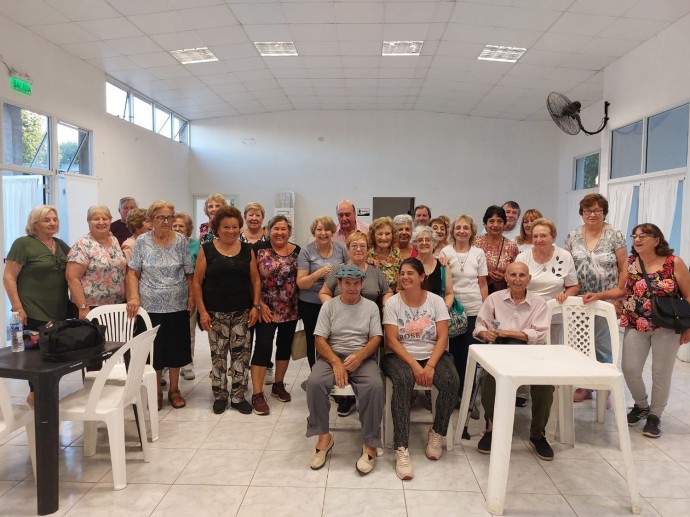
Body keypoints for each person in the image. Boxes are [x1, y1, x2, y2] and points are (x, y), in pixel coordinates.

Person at [583, 224, 690, 438]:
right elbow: (621, 290)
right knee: (630, 369)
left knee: (661, 373)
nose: (638, 239)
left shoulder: (674, 263)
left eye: (644, 235)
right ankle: (642, 406)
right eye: (635, 236)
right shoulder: (631, 263)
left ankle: (655, 416)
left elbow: (688, 296)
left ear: (657, 240)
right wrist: (599, 295)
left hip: (667, 327)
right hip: (636, 323)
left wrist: (688, 327)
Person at [381, 258, 460, 480]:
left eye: (410, 273)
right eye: (402, 273)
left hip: (432, 353)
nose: (405, 277)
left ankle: (438, 432)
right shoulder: (393, 303)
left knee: (450, 381)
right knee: (404, 381)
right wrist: (416, 366)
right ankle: (401, 447)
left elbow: (443, 337)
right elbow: (392, 340)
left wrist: (431, 365)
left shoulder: (435, 301)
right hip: (399, 356)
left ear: (422, 277)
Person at [306, 264, 384, 474]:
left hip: (362, 356)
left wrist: (360, 356)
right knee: (314, 383)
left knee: (375, 386)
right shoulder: (329, 306)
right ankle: (324, 437)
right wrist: (336, 362)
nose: (352, 288)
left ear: (361, 284)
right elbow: (319, 340)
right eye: (347, 283)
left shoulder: (371, 307)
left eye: (356, 283)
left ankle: (370, 443)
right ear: (338, 284)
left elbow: (376, 338)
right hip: (332, 355)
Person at [473, 262, 554, 460]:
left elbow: (539, 335)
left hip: (531, 352)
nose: (517, 279)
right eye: (513, 275)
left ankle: (537, 433)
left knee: (546, 385)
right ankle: (491, 427)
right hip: (500, 349)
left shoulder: (539, 303)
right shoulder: (494, 299)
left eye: (522, 275)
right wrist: (487, 334)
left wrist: (506, 332)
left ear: (529, 279)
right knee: (487, 379)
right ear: (506, 278)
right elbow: (478, 327)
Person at [193, 205, 261, 415]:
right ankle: (221, 395)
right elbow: (196, 283)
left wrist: (256, 306)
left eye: (234, 227)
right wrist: (203, 312)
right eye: (226, 227)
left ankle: (239, 396)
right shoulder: (207, 250)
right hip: (215, 313)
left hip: (242, 311)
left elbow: (255, 279)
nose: (231, 231)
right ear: (217, 228)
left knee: (241, 357)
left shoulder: (247, 250)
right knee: (219, 356)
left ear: (239, 227)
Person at [127, 200, 194, 411]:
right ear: (151, 220)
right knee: (154, 352)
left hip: (177, 304)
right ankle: (155, 391)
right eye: (160, 217)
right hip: (150, 306)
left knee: (176, 349)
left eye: (169, 217)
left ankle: (174, 390)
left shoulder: (181, 241)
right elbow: (133, 272)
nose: (166, 222)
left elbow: (189, 272)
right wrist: (133, 298)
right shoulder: (142, 242)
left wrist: (191, 297)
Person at [320, 231, 393, 417]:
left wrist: (386, 305)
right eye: (354, 246)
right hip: (340, 326)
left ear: (368, 250)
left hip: (366, 325)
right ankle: (345, 399)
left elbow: (387, 291)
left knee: (366, 365)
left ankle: (368, 401)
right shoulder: (339, 270)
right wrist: (332, 310)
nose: (359, 249)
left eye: (362, 246)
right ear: (348, 249)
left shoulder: (375, 272)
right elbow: (324, 292)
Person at [565, 193, 627, 402]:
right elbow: (567, 266)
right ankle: (584, 386)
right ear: (581, 213)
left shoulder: (614, 235)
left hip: (606, 298)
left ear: (604, 212)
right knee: (580, 343)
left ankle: (604, 387)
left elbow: (624, 266)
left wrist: (620, 296)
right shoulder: (572, 235)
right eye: (587, 210)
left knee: (603, 344)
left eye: (597, 210)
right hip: (579, 299)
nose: (592, 214)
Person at [251, 215, 301, 415]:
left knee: (284, 347)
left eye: (283, 229)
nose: (280, 232)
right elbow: (251, 279)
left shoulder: (298, 251)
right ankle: (257, 393)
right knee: (263, 345)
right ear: (268, 230)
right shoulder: (258, 250)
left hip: (290, 308)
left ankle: (278, 384)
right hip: (266, 308)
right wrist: (258, 303)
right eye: (276, 229)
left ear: (289, 231)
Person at [440, 215, 488, 394]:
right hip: (452, 311)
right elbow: (443, 282)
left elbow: (482, 283)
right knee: (453, 355)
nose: (461, 231)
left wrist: (485, 309)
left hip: (474, 309)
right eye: (458, 227)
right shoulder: (445, 252)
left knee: (470, 356)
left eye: (465, 228)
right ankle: (452, 395)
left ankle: (468, 397)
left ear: (472, 231)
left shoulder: (478, 253)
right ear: (453, 231)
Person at [3, 205, 70, 329]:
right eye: (46, 220)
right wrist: (17, 308)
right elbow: (9, 277)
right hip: (31, 313)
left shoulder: (61, 245)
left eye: (55, 220)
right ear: (35, 223)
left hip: (59, 313)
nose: (52, 223)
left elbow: (81, 262)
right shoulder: (23, 244)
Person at [297, 216, 349, 369]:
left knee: (333, 338)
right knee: (313, 338)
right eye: (319, 229)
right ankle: (315, 371)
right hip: (310, 303)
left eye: (327, 229)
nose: (323, 233)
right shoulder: (306, 251)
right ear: (314, 232)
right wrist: (317, 274)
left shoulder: (341, 249)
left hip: (335, 302)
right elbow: (301, 283)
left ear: (333, 231)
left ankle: (332, 370)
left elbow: (349, 272)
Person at [515, 218, 579, 338]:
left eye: (543, 236)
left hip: (554, 314)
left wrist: (565, 295)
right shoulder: (522, 258)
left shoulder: (565, 256)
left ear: (553, 237)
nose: (538, 240)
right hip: (527, 313)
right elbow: (514, 287)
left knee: (551, 351)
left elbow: (574, 286)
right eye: (535, 236)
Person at [413, 225, 454, 411]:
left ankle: (431, 391)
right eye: (420, 240)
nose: (424, 243)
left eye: (427, 240)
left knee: (437, 357)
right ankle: (412, 389)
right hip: (413, 319)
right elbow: (400, 290)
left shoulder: (443, 266)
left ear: (434, 243)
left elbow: (450, 293)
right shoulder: (409, 265)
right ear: (415, 243)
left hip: (437, 320)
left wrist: (442, 311)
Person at [66, 206, 128, 319]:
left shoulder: (114, 240)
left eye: (105, 218)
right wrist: (83, 307)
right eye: (96, 219)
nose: (101, 222)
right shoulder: (82, 245)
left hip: (117, 305)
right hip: (91, 308)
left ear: (110, 220)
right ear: (89, 222)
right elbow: (72, 278)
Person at [173, 212, 201, 381]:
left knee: (188, 332)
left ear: (188, 229)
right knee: (170, 332)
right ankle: (170, 364)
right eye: (174, 225)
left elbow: (198, 274)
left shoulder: (196, 246)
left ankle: (187, 364)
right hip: (170, 295)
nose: (177, 229)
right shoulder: (165, 245)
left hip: (190, 293)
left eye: (181, 226)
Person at [475, 205, 518, 293]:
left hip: (503, 295)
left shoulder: (511, 246)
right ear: (485, 224)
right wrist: (483, 274)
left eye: (499, 221)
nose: (495, 225)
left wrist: (504, 276)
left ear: (504, 224)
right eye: (491, 221)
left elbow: (517, 271)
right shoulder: (475, 243)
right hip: (477, 293)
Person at [367, 216, 402, 291]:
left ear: (392, 235)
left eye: (387, 234)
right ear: (373, 236)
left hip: (393, 296)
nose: (384, 237)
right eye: (380, 234)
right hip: (371, 295)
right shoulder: (367, 253)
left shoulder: (397, 253)